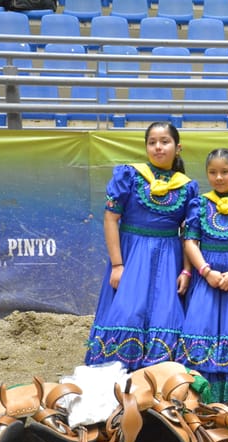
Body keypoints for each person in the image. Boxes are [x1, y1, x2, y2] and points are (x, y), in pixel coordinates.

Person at [85, 122, 199, 371]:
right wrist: (117, 264)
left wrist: (187, 271)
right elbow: (110, 219)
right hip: (132, 255)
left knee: (165, 317)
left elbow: (188, 233)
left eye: (165, 142)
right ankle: (117, 383)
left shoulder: (187, 187)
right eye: (152, 142)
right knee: (128, 314)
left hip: (169, 259)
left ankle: (158, 386)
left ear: (178, 148)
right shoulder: (129, 175)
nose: (158, 147)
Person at [176, 149, 228, 403]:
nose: (219, 177)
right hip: (207, 277)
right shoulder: (199, 204)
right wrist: (205, 271)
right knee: (201, 328)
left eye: (225, 172)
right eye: (212, 172)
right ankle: (199, 400)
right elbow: (190, 242)